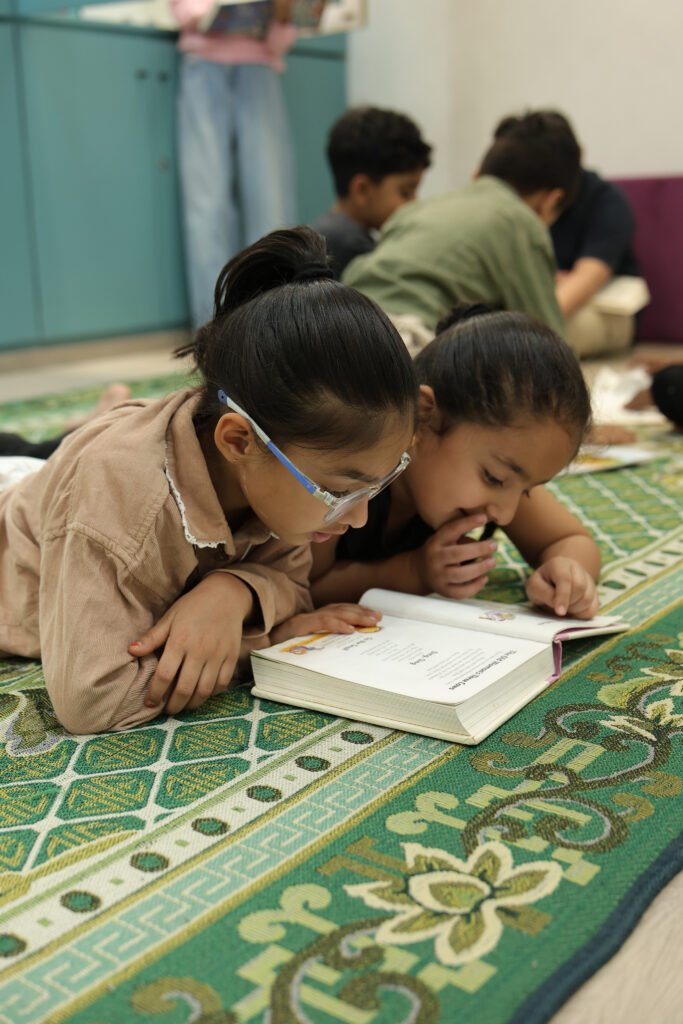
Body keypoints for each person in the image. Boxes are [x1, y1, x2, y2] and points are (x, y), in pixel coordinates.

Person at [0, 227, 416, 735]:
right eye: (340, 490)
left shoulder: (279, 480)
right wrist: (265, 640)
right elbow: (93, 699)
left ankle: (85, 426)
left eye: (376, 486)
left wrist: (232, 592)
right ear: (238, 441)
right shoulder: (120, 501)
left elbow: (293, 583)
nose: (358, 517)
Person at [307, 304, 601, 622]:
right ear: (423, 416)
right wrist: (415, 572)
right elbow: (308, 585)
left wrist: (568, 572)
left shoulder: (499, 482)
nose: (506, 512)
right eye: (494, 478)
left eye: (527, 490)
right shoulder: (347, 470)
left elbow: (571, 539)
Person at [342, 110, 581, 347]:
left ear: (478, 175)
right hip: (403, 338)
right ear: (551, 201)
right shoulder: (521, 222)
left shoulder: (421, 208)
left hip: (341, 319)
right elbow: (549, 346)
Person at [172, 0, 299, 327]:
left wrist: (284, 14)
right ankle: (212, 329)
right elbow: (188, 13)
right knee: (207, 203)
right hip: (204, 63)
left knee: (272, 199)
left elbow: (282, 38)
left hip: (259, 67)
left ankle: (279, 321)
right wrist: (204, 11)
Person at [545, 111, 643, 358]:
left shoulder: (607, 202)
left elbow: (583, 282)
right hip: (544, 296)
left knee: (539, 339)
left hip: (603, 306)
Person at [312, 106, 432, 277]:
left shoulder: (327, 233)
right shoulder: (351, 249)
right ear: (361, 190)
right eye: (405, 193)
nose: (414, 202)